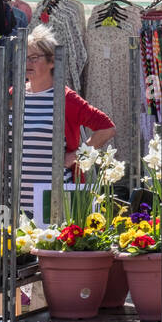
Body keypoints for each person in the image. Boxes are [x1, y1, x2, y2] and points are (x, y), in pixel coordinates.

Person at [22, 24, 116, 220]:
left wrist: (76, 155)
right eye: (25, 57)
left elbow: (106, 128)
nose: (27, 62)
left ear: (51, 62)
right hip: (18, 193)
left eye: (34, 57)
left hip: (54, 192)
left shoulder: (66, 98)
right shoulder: (15, 95)